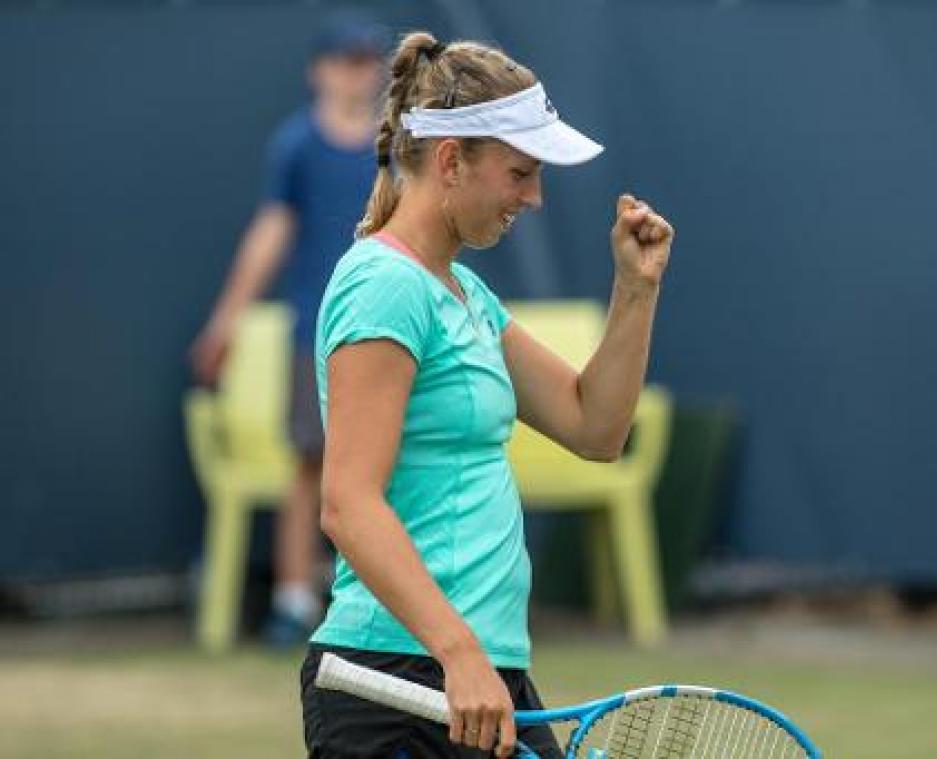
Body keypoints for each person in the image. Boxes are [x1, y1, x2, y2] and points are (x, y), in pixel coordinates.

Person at [298, 30, 674, 759]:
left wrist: (635, 288)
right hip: (395, 681)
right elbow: (348, 501)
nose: (533, 198)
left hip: (475, 668)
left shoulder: (463, 293)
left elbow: (595, 427)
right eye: (519, 173)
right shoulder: (383, 285)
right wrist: (456, 649)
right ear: (450, 161)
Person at [189, 14, 389, 645]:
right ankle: (294, 599)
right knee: (310, 464)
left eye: (367, 62)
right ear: (319, 70)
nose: (357, 74)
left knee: (387, 467)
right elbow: (271, 231)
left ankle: (384, 601)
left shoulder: (395, 145)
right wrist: (227, 321)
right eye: (345, 61)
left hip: (389, 332)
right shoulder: (297, 144)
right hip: (317, 334)